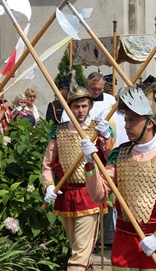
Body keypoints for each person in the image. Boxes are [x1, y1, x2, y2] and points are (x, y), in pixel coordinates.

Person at [82, 86, 156, 271]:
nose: (126, 125)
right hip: (125, 247)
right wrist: (90, 164)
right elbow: (98, 194)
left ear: (149, 123)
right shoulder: (120, 154)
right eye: (125, 120)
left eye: (132, 120)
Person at [42, 85, 114, 271]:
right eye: (76, 106)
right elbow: (47, 164)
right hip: (66, 196)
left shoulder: (96, 130)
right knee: (79, 250)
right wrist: (49, 185)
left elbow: (110, 159)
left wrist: (106, 137)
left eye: (84, 106)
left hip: (89, 194)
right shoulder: (59, 131)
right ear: (69, 107)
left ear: (89, 106)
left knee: (79, 255)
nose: (80, 110)